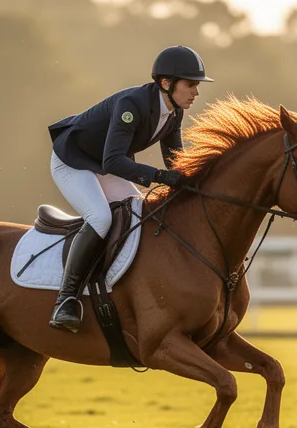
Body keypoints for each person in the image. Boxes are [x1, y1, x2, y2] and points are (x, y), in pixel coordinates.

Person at [45, 45, 213, 332]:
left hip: (101, 165)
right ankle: (66, 299)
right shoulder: (131, 105)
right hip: (72, 162)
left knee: (139, 217)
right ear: (166, 83)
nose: (196, 92)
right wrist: (160, 176)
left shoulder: (174, 113)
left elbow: (175, 161)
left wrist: (197, 182)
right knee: (100, 218)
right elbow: (114, 160)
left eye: (196, 85)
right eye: (190, 85)